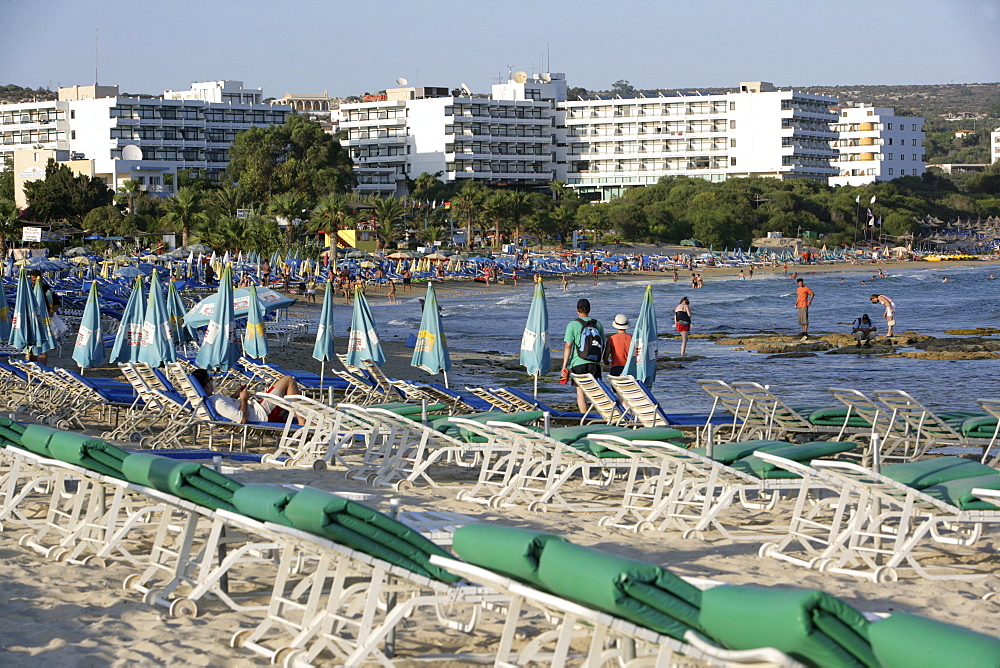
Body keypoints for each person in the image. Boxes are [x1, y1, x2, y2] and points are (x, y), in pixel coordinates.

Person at [191, 368, 304, 425]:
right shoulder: (217, 403)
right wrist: (244, 399)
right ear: (206, 386)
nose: (212, 382)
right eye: (210, 380)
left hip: (258, 410)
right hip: (261, 414)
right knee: (288, 380)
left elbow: (231, 410)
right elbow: (242, 419)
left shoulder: (213, 400)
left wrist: (235, 396)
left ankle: (303, 421)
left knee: (288, 398)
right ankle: (302, 421)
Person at [561, 298, 605, 414]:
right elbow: (602, 343)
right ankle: (602, 415)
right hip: (594, 363)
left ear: (577, 310)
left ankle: (584, 417)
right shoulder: (597, 324)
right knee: (595, 392)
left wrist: (564, 366)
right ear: (589, 309)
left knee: (580, 392)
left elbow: (568, 345)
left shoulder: (573, 324)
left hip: (578, 363)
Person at [27, 269, 64, 365]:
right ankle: (31, 368)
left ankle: (42, 368)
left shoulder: (47, 290)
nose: (33, 282)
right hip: (31, 321)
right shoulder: (28, 289)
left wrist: (51, 311)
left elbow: (56, 304)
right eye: (32, 279)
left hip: (44, 320)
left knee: (43, 348)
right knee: (30, 348)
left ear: (40, 278)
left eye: (35, 280)